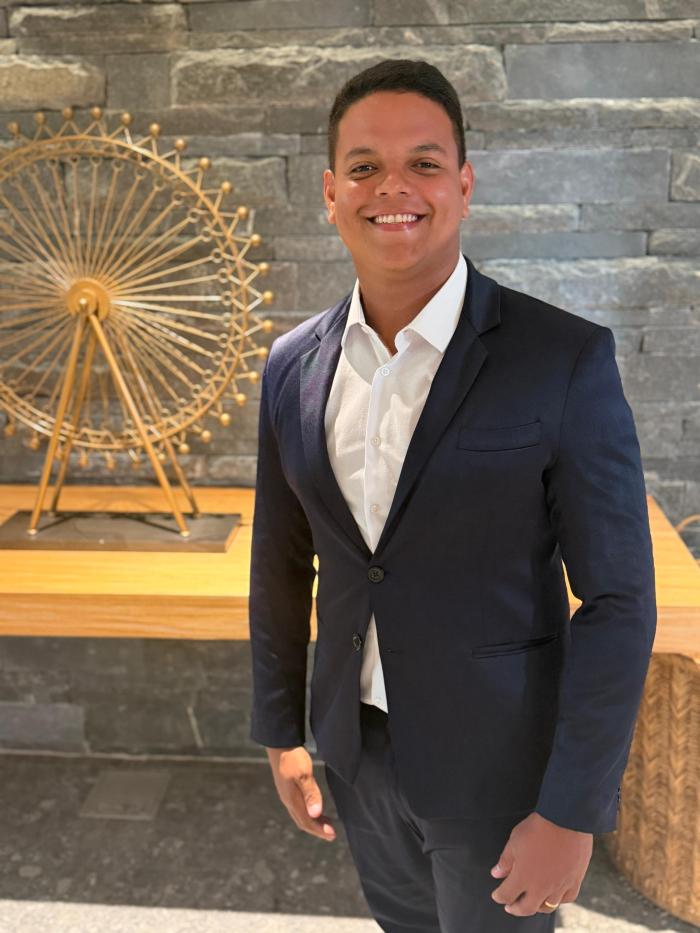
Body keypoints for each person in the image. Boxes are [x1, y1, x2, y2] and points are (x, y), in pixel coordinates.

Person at [248, 58, 656, 933]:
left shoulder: (562, 360)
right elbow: (280, 564)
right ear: (330, 192)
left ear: (464, 186)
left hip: (502, 772)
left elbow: (619, 600)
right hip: (357, 754)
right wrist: (282, 731)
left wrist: (573, 808)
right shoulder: (291, 367)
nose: (392, 187)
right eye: (365, 166)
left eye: (424, 164)